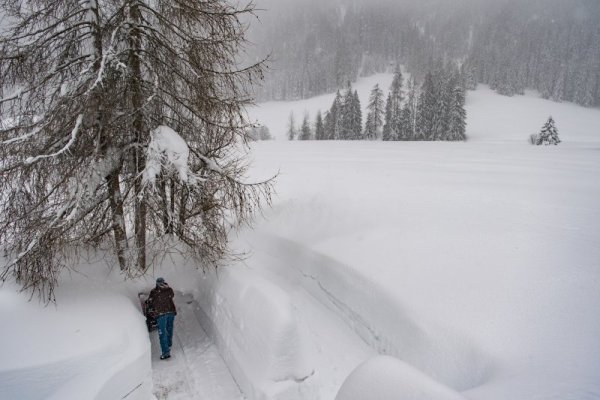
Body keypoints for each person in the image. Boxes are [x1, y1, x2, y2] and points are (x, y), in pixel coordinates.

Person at [147, 277, 177, 360]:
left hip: (161, 314)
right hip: (170, 312)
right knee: (169, 328)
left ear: (156, 283)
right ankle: (169, 343)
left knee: (162, 332)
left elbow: (150, 301)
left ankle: (166, 352)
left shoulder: (154, 292)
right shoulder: (169, 289)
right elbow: (172, 295)